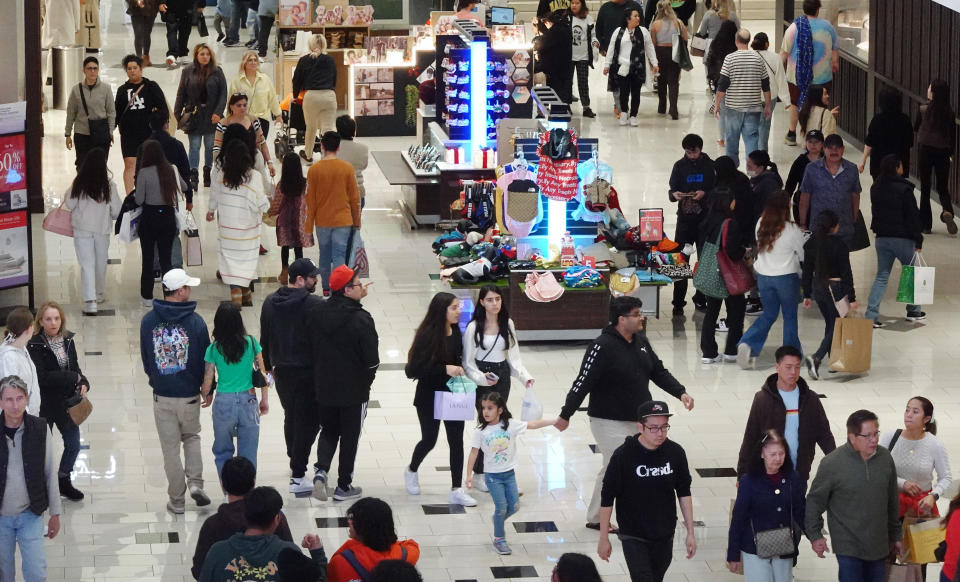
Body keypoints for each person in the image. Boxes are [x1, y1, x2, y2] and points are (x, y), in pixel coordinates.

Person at [555, 296, 695, 530]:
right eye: (637, 314)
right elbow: (582, 382)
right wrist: (565, 414)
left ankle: (608, 514)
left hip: (639, 420)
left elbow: (658, 371)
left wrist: (680, 392)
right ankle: (598, 518)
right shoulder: (602, 346)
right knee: (616, 464)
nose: (642, 317)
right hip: (607, 420)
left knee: (620, 466)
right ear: (621, 319)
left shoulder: (640, 341)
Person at [597, 400, 696, 581]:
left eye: (664, 427)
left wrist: (690, 532)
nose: (660, 433)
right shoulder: (623, 456)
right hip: (633, 534)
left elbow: (684, 492)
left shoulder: (675, 453)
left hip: (664, 533)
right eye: (653, 428)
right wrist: (604, 537)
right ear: (640, 427)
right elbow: (607, 498)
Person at [139, 268, 212, 514]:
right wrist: (207, 388)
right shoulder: (196, 322)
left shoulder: (148, 321)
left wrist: (157, 378)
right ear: (179, 291)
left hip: (163, 396)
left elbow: (147, 359)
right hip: (190, 395)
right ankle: (196, 484)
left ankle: (177, 501)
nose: (190, 291)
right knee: (191, 438)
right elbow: (207, 360)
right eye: (188, 287)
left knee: (170, 449)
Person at [306, 265, 379, 501]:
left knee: (328, 430)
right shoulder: (361, 320)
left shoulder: (317, 313)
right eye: (358, 284)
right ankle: (343, 486)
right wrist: (365, 384)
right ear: (347, 290)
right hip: (354, 391)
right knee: (350, 437)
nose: (362, 287)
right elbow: (371, 361)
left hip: (324, 386)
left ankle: (320, 472)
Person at [805, 409, 900, 582]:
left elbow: (892, 500)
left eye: (876, 433)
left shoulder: (885, 458)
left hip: (878, 544)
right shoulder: (833, 463)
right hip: (848, 546)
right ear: (852, 437)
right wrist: (815, 535)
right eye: (867, 435)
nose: (874, 440)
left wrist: (896, 535)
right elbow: (814, 501)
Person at [403, 292, 477, 507]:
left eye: (458, 307)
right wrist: (445, 368)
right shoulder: (427, 335)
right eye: (454, 307)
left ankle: (456, 489)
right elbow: (412, 370)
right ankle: (411, 469)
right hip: (428, 396)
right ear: (441, 310)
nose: (459, 311)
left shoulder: (456, 332)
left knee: (456, 441)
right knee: (429, 439)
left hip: (453, 395)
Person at [465, 391, 555, 555]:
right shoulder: (480, 432)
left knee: (514, 506)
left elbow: (533, 425)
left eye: (490, 408)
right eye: (483, 408)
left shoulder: (510, 425)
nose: (485, 411)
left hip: (509, 474)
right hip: (492, 477)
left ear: (500, 410)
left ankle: (497, 520)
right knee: (501, 507)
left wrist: (555, 421)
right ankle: (499, 539)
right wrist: (469, 476)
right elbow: (473, 453)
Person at [260, 258, 323, 493]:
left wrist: (267, 369)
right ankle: (298, 474)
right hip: (307, 372)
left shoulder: (269, 302)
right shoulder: (313, 304)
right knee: (309, 421)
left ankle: (293, 455)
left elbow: (264, 338)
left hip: (281, 371)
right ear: (300, 279)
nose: (316, 280)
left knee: (292, 416)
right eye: (312, 277)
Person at [462, 285, 534, 488]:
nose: (495, 303)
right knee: (486, 425)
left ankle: (498, 471)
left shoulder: (507, 323)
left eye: (498, 299)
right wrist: (482, 379)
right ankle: (479, 474)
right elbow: (468, 363)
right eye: (490, 300)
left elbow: (514, 355)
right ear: (482, 302)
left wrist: (525, 377)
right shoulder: (474, 327)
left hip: (502, 376)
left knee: (500, 424)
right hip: (482, 378)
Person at [736, 345, 835, 483]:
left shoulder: (810, 399)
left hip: (799, 473)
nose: (793, 372)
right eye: (788, 367)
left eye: (797, 367)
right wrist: (742, 474)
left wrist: (837, 464)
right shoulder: (762, 399)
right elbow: (751, 437)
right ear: (777, 367)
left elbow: (824, 435)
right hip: (768, 473)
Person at [191, 456, 295, 580]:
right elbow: (292, 562)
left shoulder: (212, 525)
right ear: (253, 481)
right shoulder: (273, 515)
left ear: (222, 484)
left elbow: (200, 570)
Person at [0, 375, 61, 582]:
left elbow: (50, 471)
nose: (15, 405)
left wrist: (55, 512)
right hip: (0, 517)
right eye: (9, 399)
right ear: (0, 402)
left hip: (30, 513)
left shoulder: (40, 428)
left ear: (27, 399)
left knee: (36, 572)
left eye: (19, 398)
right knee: (4, 574)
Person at [26, 303, 89, 502]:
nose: (53, 323)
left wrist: (84, 382)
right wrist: (72, 377)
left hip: (67, 403)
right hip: (45, 405)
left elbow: (76, 368)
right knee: (42, 449)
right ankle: (40, 487)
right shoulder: (34, 345)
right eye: (48, 319)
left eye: (57, 318)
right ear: (41, 322)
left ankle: (63, 480)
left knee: (73, 444)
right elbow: (42, 377)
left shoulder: (68, 340)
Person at [198, 486, 327, 582]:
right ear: (277, 519)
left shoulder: (218, 552)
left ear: (245, 515)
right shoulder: (289, 553)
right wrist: (318, 554)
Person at [737, 191, 804, 368]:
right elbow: (802, 253)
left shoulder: (761, 224)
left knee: (769, 314)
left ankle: (748, 343)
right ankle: (790, 355)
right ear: (787, 207)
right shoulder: (791, 229)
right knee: (789, 317)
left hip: (764, 277)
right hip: (786, 278)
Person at [727, 429, 805, 581]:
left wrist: (815, 537)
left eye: (781, 453)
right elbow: (738, 519)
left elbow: (800, 511)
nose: (778, 458)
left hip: (784, 545)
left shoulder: (792, 478)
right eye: (773, 454)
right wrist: (733, 554)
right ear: (762, 454)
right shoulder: (748, 481)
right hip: (755, 547)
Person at [200, 303, 269, 475]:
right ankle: (246, 493)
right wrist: (265, 399)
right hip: (249, 400)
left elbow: (208, 380)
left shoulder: (213, 348)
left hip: (224, 402)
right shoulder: (252, 343)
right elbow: (263, 373)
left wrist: (206, 395)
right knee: (248, 453)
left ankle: (228, 492)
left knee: (223, 451)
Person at [207, 138, 269, 306]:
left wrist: (211, 210)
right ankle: (243, 292)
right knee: (247, 261)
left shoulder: (221, 175)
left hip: (228, 229)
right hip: (247, 230)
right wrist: (268, 205)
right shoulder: (254, 177)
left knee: (231, 260)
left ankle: (239, 291)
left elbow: (214, 194)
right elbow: (261, 203)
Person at [865, 155, 926, 327]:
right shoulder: (904, 190)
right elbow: (913, 216)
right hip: (903, 239)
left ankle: (871, 315)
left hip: (882, 239)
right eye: (901, 165)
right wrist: (918, 238)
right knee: (911, 272)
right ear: (896, 168)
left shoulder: (875, 188)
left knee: (882, 276)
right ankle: (913, 310)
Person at [61, 148, 122, 314]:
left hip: (82, 229)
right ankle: (99, 293)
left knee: (86, 264)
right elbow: (117, 211)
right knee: (100, 262)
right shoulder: (109, 185)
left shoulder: (79, 183)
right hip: (102, 229)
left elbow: (69, 203)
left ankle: (90, 301)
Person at [304, 132, 361, 294]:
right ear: (339, 147)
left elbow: (310, 202)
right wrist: (357, 221)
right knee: (339, 256)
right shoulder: (347, 168)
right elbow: (354, 198)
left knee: (324, 255)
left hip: (322, 221)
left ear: (321, 146)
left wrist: (308, 229)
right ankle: (339, 288)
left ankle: (326, 289)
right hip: (343, 221)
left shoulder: (314, 170)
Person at [801, 210, 855, 379]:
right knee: (838, 324)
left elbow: (807, 271)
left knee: (831, 323)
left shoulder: (810, 244)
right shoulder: (839, 245)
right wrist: (852, 298)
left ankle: (833, 360)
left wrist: (807, 294)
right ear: (833, 227)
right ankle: (816, 357)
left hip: (819, 288)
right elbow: (847, 273)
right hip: (836, 288)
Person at [136, 140, 188, 306]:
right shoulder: (171, 169)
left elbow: (139, 199)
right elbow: (185, 186)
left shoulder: (144, 172)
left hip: (149, 218)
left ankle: (147, 296)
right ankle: (169, 294)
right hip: (167, 218)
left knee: (148, 258)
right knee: (166, 260)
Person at [697, 189, 747, 363]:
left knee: (711, 311)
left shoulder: (707, 220)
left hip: (711, 273)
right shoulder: (729, 223)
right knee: (736, 310)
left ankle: (708, 352)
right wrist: (744, 251)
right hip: (727, 275)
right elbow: (732, 251)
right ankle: (731, 350)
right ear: (727, 203)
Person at [881, 398, 952, 521]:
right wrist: (903, 483)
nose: (908, 415)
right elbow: (878, 470)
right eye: (907, 410)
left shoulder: (935, 444)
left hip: (920, 508)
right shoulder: (890, 437)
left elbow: (946, 477)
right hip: (890, 504)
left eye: (915, 412)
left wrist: (933, 496)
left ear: (926, 419)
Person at [668, 133, 715, 316]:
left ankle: (701, 297)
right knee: (680, 261)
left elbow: (717, 189)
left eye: (694, 152)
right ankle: (678, 302)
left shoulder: (710, 166)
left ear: (700, 150)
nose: (691, 155)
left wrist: (705, 193)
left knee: (704, 261)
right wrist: (675, 195)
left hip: (705, 221)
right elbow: (672, 189)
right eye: (688, 153)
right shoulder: (679, 166)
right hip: (685, 222)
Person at [781, 0, 838, 146]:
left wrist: (779, 71)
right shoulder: (828, 27)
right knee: (821, 105)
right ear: (818, 10)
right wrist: (835, 63)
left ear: (804, 9)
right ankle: (819, 134)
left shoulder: (795, 27)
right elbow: (835, 49)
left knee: (794, 103)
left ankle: (792, 133)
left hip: (797, 76)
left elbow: (784, 53)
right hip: (822, 76)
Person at [714, 28, 772, 167]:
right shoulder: (758, 58)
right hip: (753, 107)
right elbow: (765, 84)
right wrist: (768, 105)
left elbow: (722, 85)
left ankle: (731, 171)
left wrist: (717, 104)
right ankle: (753, 172)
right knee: (752, 140)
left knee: (732, 140)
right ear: (748, 41)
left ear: (736, 41)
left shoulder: (730, 58)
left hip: (734, 108)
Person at [174, 43, 227, 191]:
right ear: (196, 56)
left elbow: (223, 94)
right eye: (202, 54)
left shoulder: (217, 71)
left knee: (210, 146)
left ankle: (207, 171)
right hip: (194, 115)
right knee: (194, 146)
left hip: (212, 116)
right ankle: (193, 173)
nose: (205, 57)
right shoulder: (187, 71)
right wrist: (177, 115)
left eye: (207, 54)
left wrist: (218, 112)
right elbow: (181, 93)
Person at [327, 498, 419, 582]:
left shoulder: (341, 562)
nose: (349, 521)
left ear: (365, 526)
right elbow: (406, 544)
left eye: (353, 518)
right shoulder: (408, 553)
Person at [116, 54, 169, 194]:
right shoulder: (122, 90)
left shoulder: (151, 86)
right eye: (129, 68)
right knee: (130, 165)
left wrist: (156, 121)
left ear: (141, 69)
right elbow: (117, 112)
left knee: (149, 164)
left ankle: (150, 193)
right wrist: (110, 129)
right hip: (129, 134)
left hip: (148, 133)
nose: (132, 71)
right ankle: (129, 196)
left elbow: (163, 109)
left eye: (135, 68)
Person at [798, 133, 863, 248]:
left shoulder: (852, 169)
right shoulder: (812, 169)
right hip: (819, 229)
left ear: (843, 149)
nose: (834, 151)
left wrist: (854, 219)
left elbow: (855, 195)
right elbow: (805, 197)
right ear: (824, 149)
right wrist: (803, 224)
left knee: (842, 263)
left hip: (844, 229)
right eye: (830, 148)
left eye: (837, 148)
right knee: (820, 263)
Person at [915, 79, 957, 235]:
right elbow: (952, 136)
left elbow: (916, 127)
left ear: (932, 92)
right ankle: (947, 211)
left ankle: (926, 225)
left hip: (925, 150)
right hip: (943, 152)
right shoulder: (949, 113)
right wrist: (951, 153)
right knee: (942, 187)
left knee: (925, 188)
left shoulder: (923, 108)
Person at [603, 8, 658, 126]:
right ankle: (623, 112)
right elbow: (611, 48)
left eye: (638, 16)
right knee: (623, 92)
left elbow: (650, 48)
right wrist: (607, 65)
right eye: (635, 16)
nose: (638, 18)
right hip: (622, 67)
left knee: (636, 92)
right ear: (628, 19)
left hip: (637, 67)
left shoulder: (643, 31)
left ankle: (633, 115)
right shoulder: (618, 31)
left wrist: (655, 63)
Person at [268, 152, 314, 284]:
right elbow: (309, 201)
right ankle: (299, 275)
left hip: (284, 221)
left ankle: (284, 273)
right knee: (298, 248)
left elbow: (277, 202)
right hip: (299, 220)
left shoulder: (282, 184)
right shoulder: (305, 183)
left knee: (285, 247)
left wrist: (271, 212)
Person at [292, 34, 337, 162]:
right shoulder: (330, 59)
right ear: (324, 44)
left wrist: (295, 96)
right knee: (328, 129)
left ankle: (308, 155)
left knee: (311, 128)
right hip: (329, 95)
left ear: (310, 45)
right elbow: (334, 79)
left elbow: (296, 80)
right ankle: (329, 156)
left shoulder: (304, 60)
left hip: (311, 96)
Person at [65, 56, 116, 167]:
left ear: (98, 70)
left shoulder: (106, 88)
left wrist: (110, 131)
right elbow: (71, 113)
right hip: (82, 134)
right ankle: (82, 185)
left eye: (95, 68)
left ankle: (99, 185)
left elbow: (111, 112)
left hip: (101, 134)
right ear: (84, 70)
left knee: (100, 165)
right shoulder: (76, 89)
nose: (92, 71)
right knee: (82, 165)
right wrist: (67, 134)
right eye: (89, 68)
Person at [594, 0, 642, 118]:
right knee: (617, 83)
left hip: (633, 54)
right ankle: (620, 107)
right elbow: (598, 29)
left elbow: (642, 29)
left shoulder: (635, 6)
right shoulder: (605, 8)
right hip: (614, 54)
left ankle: (626, 107)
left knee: (632, 84)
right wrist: (602, 48)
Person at [213, 93, 274, 176]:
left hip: (254, 161)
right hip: (230, 162)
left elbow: (262, 143)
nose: (243, 108)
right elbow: (217, 148)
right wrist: (219, 166)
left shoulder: (253, 120)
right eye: (239, 105)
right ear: (231, 107)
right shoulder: (223, 123)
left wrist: (269, 162)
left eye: (245, 105)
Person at [858, 88, 914, 178]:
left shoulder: (877, 120)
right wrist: (908, 162)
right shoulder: (905, 120)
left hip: (879, 164)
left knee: (880, 190)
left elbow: (869, 143)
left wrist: (863, 162)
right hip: (898, 164)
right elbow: (909, 145)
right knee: (897, 190)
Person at [227, 51, 282, 140]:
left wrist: (278, 115)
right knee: (244, 149)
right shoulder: (237, 81)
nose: (253, 62)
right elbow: (230, 101)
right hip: (242, 119)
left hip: (262, 120)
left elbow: (273, 99)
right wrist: (228, 119)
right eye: (250, 60)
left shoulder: (265, 79)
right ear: (244, 63)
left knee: (260, 150)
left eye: (255, 60)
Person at [148, 110, 195, 210]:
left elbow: (138, 174)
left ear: (150, 125)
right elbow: (185, 172)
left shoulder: (144, 148)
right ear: (166, 125)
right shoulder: (177, 145)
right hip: (173, 195)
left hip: (150, 198)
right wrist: (189, 199)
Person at [649, 0, 688, 120]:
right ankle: (673, 109)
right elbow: (685, 40)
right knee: (673, 82)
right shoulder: (679, 23)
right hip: (675, 51)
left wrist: (652, 61)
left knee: (661, 81)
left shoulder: (655, 24)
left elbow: (653, 43)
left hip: (660, 52)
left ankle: (662, 107)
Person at [0, 309, 40, 417]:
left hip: (29, 416)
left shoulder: (22, 347)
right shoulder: (8, 358)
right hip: (17, 421)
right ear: (29, 329)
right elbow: (12, 395)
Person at [752, 32, 788, 151]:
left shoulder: (750, 56)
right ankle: (762, 155)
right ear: (767, 44)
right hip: (770, 97)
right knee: (764, 127)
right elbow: (781, 79)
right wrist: (786, 100)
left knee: (751, 126)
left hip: (752, 97)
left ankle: (752, 154)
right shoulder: (775, 57)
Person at [705, 20, 738, 147]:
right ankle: (732, 136)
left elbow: (709, 61)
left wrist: (711, 79)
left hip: (720, 81)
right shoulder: (735, 46)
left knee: (721, 110)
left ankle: (721, 138)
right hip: (734, 82)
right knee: (733, 111)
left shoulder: (715, 43)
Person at [784, 129, 824, 221]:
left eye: (816, 142)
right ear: (806, 143)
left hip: (823, 204)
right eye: (810, 142)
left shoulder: (827, 161)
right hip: (802, 203)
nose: (813, 145)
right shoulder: (800, 162)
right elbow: (790, 184)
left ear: (822, 144)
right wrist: (785, 203)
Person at [538, 10, 575, 105]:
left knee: (557, 94)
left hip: (555, 68)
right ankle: (564, 110)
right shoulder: (566, 28)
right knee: (565, 91)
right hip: (566, 65)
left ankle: (557, 113)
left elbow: (543, 48)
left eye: (546, 24)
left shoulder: (553, 32)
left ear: (549, 22)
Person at [569, 0, 599, 118]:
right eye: (572, 3)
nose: (574, 5)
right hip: (569, 56)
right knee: (567, 83)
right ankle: (566, 106)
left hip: (583, 56)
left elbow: (593, 35)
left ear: (582, 5)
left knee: (583, 82)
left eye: (577, 3)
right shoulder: (566, 18)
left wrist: (595, 43)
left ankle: (586, 107)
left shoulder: (588, 18)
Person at [334, 116, 369, 209]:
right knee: (355, 222)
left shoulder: (330, 149)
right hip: (357, 192)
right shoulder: (363, 148)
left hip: (336, 193)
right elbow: (364, 166)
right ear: (354, 131)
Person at [160, 0, 200, 67]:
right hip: (171, 8)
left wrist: (201, 4)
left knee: (185, 32)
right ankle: (172, 54)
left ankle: (183, 53)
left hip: (188, 8)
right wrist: (161, 3)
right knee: (171, 32)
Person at [747, 150, 784, 222]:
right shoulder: (756, 177)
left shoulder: (770, 184)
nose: (747, 169)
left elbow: (771, 208)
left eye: (749, 166)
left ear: (760, 168)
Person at [126, 0, 159, 67]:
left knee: (147, 34)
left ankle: (146, 58)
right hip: (136, 9)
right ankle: (139, 58)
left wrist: (161, 3)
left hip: (151, 8)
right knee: (138, 34)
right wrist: (135, 1)